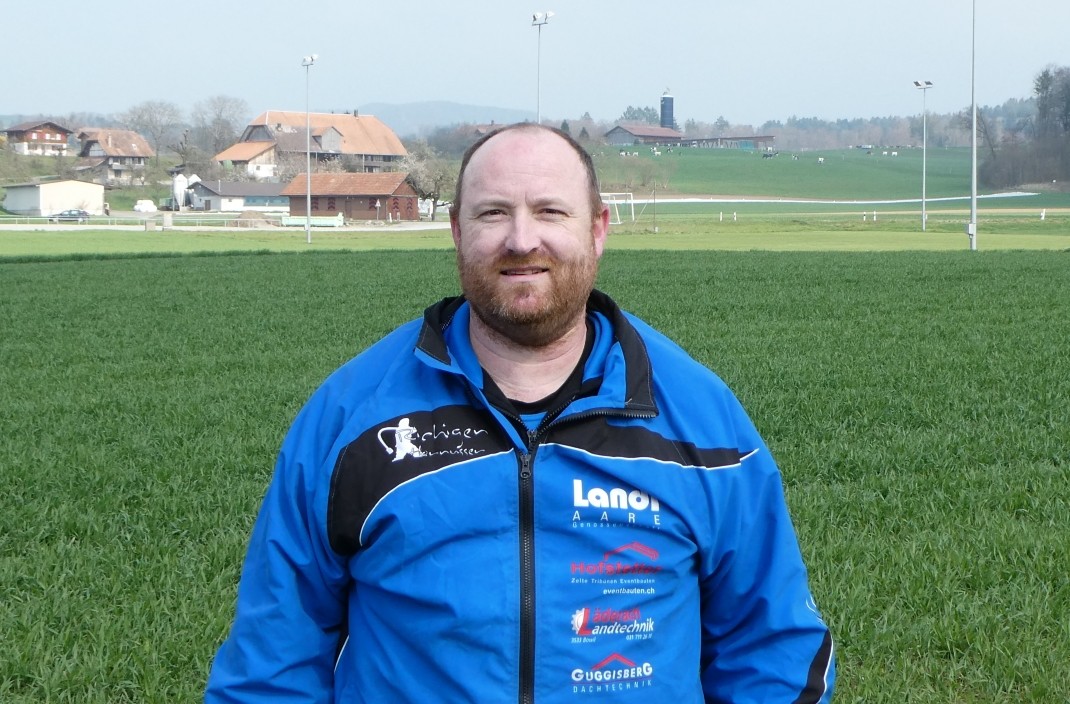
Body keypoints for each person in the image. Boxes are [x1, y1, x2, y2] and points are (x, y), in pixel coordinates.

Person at [206, 124, 835, 703]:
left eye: (551, 211)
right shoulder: (351, 419)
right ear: (457, 231)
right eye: (493, 213)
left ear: (598, 229)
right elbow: (271, 667)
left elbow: (770, 649)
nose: (522, 239)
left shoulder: (702, 421)